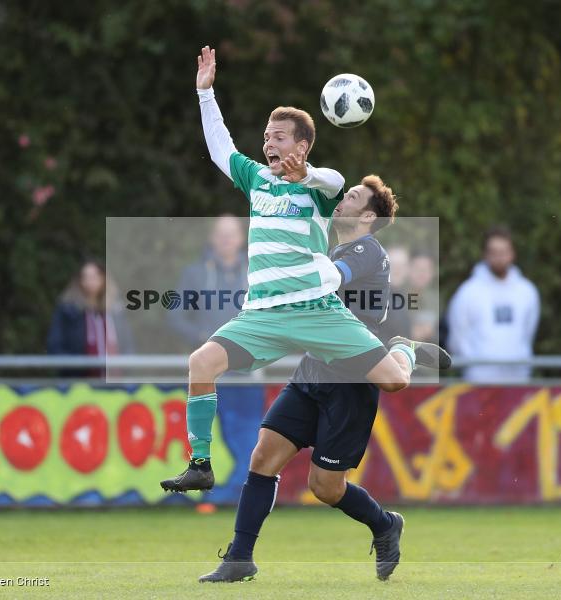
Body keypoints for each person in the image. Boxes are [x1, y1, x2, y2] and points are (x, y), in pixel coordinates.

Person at [160, 46, 447, 493]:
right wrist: (205, 93)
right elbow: (221, 149)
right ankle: (200, 464)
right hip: (264, 313)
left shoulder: (320, 190)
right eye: (266, 136)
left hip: (315, 309)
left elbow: (334, 179)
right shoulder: (256, 178)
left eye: (278, 137)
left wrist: (307, 174)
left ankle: (404, 348)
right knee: (201, 362)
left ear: (301, 145)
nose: (268, 143)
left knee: (393, 382)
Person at [199, 175, 420, 583]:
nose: (343, 199)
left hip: (351, 383)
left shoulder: (367, 250)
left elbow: (331, 277)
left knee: (326, 487)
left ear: (368, 215)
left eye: (352, 197)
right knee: (263, 455)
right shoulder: (335, 245)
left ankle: (385, 524)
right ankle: (239, 558)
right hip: (313, 371)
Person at [446, 226, 540, 382]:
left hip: (518, 379)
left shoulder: (527, 291)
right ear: (485, 255)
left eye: (503, 252)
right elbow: (458, 337)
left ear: (512, 254)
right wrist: (475, 368)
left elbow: (528, 332)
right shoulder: (468, 292)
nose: (499, 257)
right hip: (479, 382)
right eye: (494, 252)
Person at [167, 215, 249, 348]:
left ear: (241, 237)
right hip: (209, 360)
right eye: (221, 234)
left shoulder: (255, 274)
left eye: (232, 234)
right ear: (212, 237)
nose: (226, 239)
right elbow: (175, 317)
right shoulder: (195, 274)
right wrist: (202, 336)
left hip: (250, 360)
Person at [46, 259, 135, 376]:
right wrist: (75, 365)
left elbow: (127, 342)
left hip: (116, 381)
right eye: (86, 277)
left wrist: (127, 366)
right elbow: (55, 345)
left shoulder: (116, 309)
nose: (90, 281)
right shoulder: (68, 310)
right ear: (79, 280)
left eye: (95, 276)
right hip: (78, 382)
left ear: (104, 279)